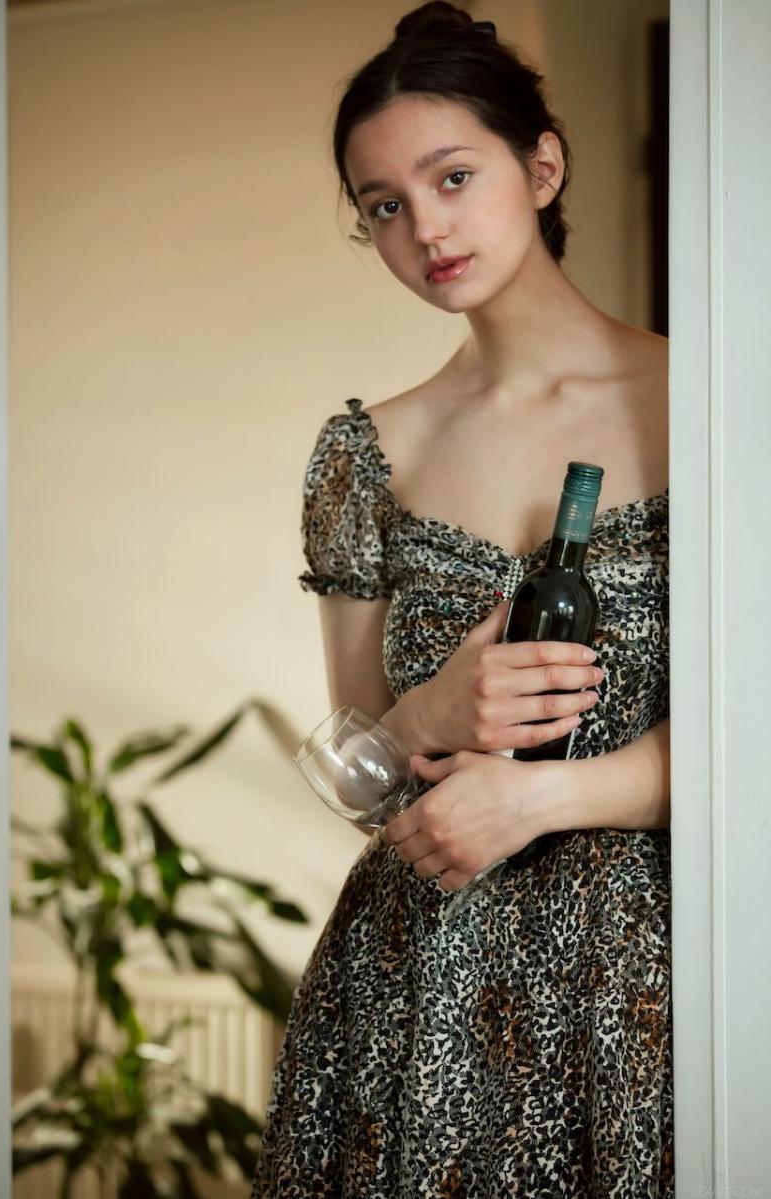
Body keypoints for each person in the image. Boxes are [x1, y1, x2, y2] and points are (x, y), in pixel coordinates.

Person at [251, 3, 672, 1195]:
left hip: (650, 978)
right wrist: (425, 714)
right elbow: (359, 779)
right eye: (383, 205)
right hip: (413, 981)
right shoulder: (364, 455)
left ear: (541, 167)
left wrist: (543, 796)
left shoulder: (709, 402)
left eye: (451, 177)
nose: (424, 228)